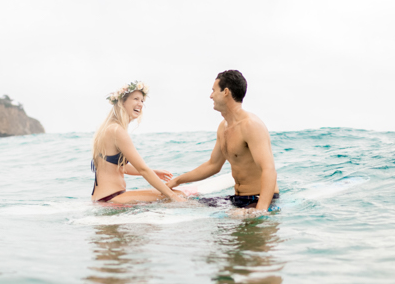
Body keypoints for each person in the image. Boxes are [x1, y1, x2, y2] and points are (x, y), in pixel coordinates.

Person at [167, 70, 279, 213]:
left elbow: (269, 169)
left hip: (258, 199)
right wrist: (176, 181)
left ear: (225, 92)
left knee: (232, 221)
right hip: (238, 199)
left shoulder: (250, 125)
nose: (211, 96)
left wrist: (261, 211)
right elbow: (213, 165)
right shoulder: (223, 126)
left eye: (214, 91)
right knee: (179, 204)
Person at [91, 81, 186, 203]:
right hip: (112, 198)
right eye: (136, 99)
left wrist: (154, 172)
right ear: (122, 102)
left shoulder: (107, 128)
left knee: (171, 195)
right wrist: (174, 198)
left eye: (142, 101)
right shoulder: (117, 130)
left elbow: (120, 167)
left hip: (103, 198)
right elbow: (143, 169)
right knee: (178, 195)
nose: (140, 104)